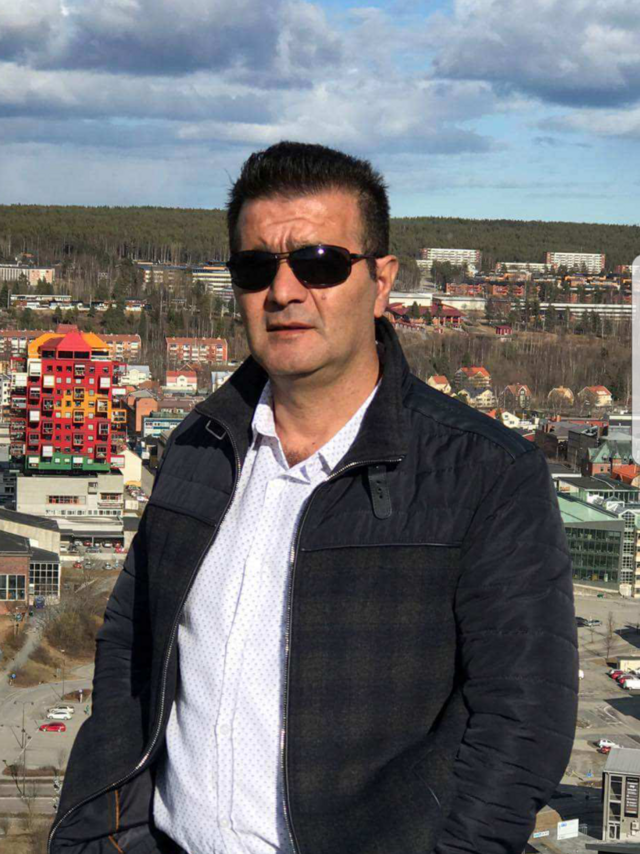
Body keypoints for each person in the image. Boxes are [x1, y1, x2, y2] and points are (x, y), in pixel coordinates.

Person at [53, 142, 578, 854]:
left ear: (382, 281)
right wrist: (110, 834)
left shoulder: (484, 472)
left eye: (320, 263)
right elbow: (132, 646)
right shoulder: (198, 446)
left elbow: (523, 720)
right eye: (255, 267)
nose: (284, 291)